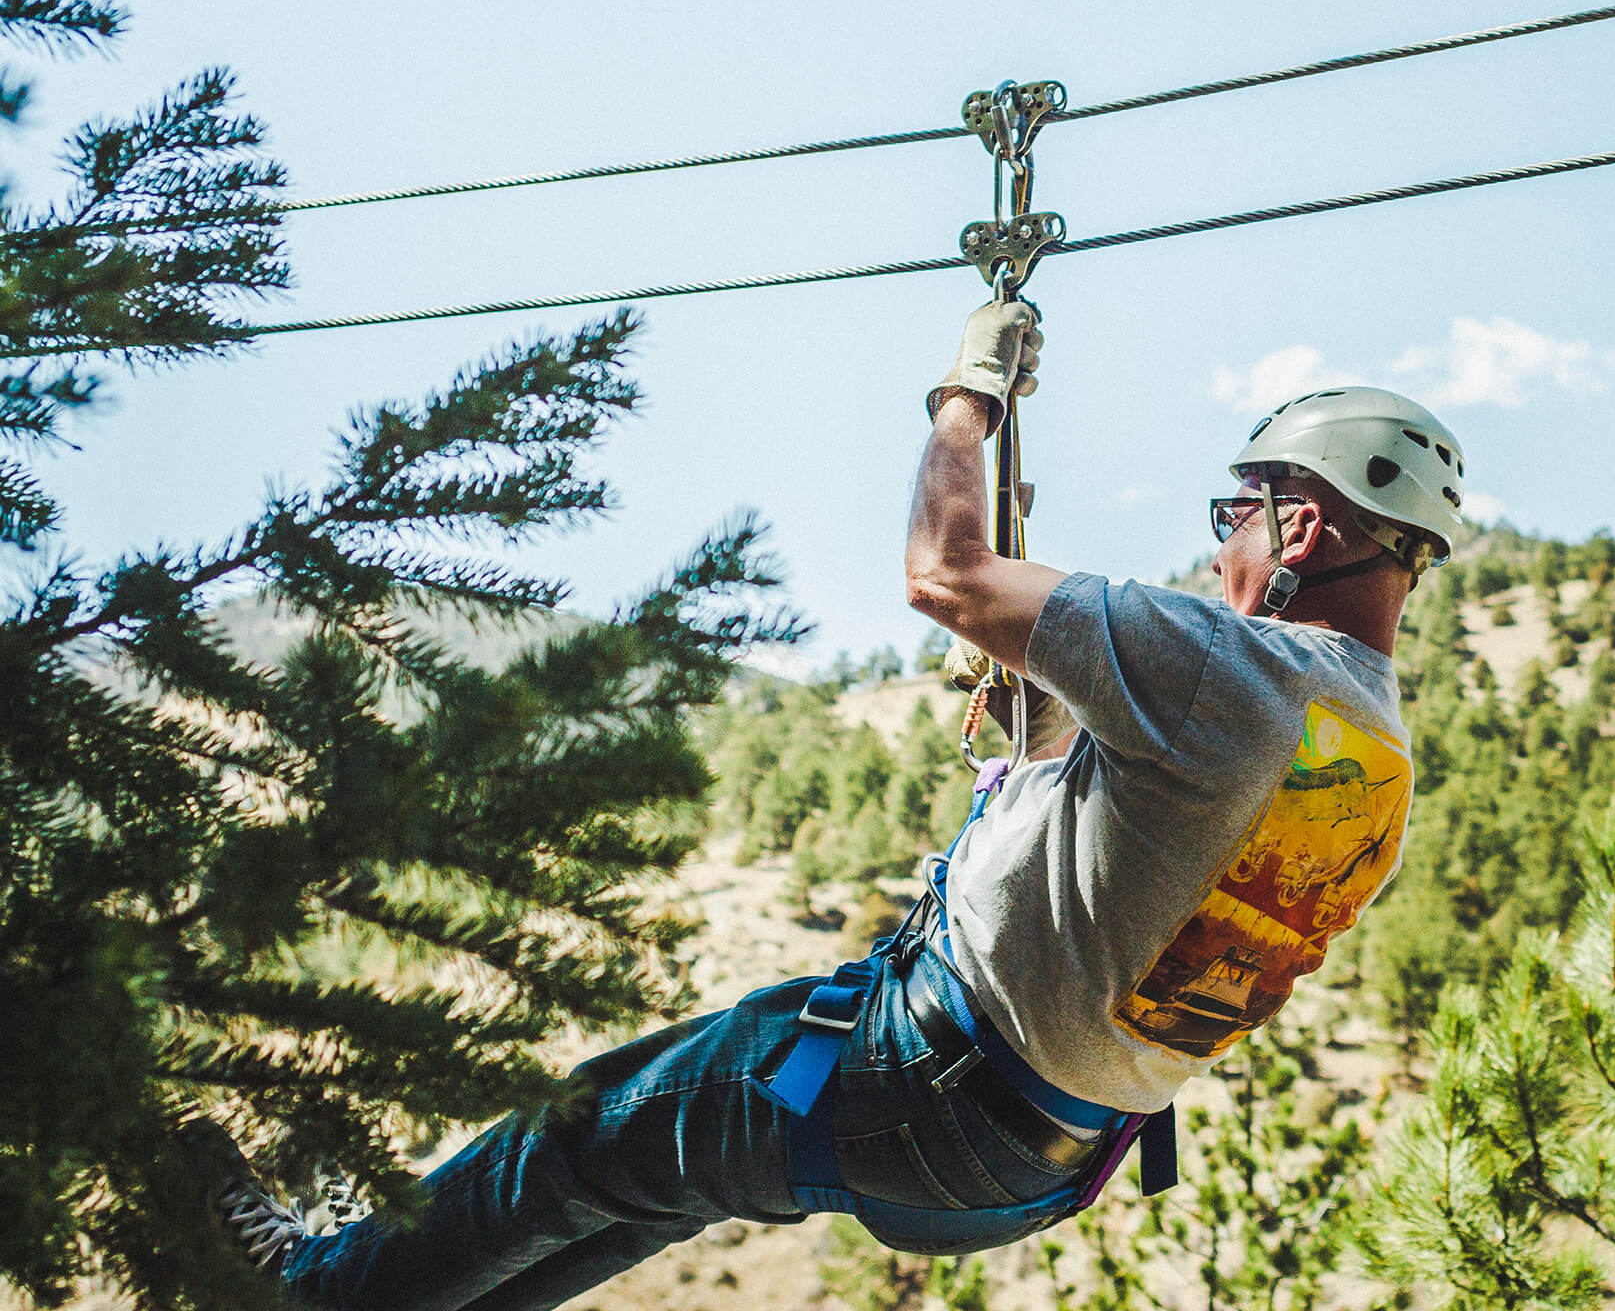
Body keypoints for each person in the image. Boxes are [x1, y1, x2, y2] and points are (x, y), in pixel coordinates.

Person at [195, 299, 1467, 1311]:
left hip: (920, 1078)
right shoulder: (1370, 752)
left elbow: (945, 574)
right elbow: (1134, 835)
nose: (1217, 547)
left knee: (582, 1145)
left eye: (1232, 515)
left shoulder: (1231, 666)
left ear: (1298, 527)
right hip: (1028, 1168)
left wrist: (964, 402)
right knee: (643, 1189)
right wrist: (1034, 700)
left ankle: (306, 1292)